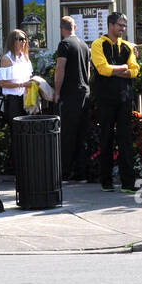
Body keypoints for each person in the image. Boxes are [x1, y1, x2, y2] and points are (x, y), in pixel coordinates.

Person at [91, 11, 140, 192]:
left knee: (126, 139)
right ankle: (106, 181)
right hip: (105, 98)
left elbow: (135, 70)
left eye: (124, 26)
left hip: (125, 98)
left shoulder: (127, 46)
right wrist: (124, 68)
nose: (123, 29)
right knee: (106, 138)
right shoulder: (98, 44)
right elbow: (102, 69)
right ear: (110, 25)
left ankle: (128, 183)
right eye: (120, 25)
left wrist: (118, 70)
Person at [53, 16, 92, 182]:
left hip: (70, 94)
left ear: (62, 30)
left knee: (67, 134)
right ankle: (81, 172)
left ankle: (65, 172)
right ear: (75, 27)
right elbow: (89, 72)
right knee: (82, 134)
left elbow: (60, 69)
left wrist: (56, 91)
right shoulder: (84, 45)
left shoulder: (65, 45)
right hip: (85, 93)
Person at [0, 29, 34, 125]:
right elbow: (2, 83)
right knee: (16, 129)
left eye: (25, 39)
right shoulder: (7, 59)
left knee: (28, 128)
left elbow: (29, 77)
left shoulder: (25, 58)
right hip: (13, 100)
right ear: (13, 41)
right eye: (20, 39)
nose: (24, 41)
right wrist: (22, 84)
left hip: (26, 98)